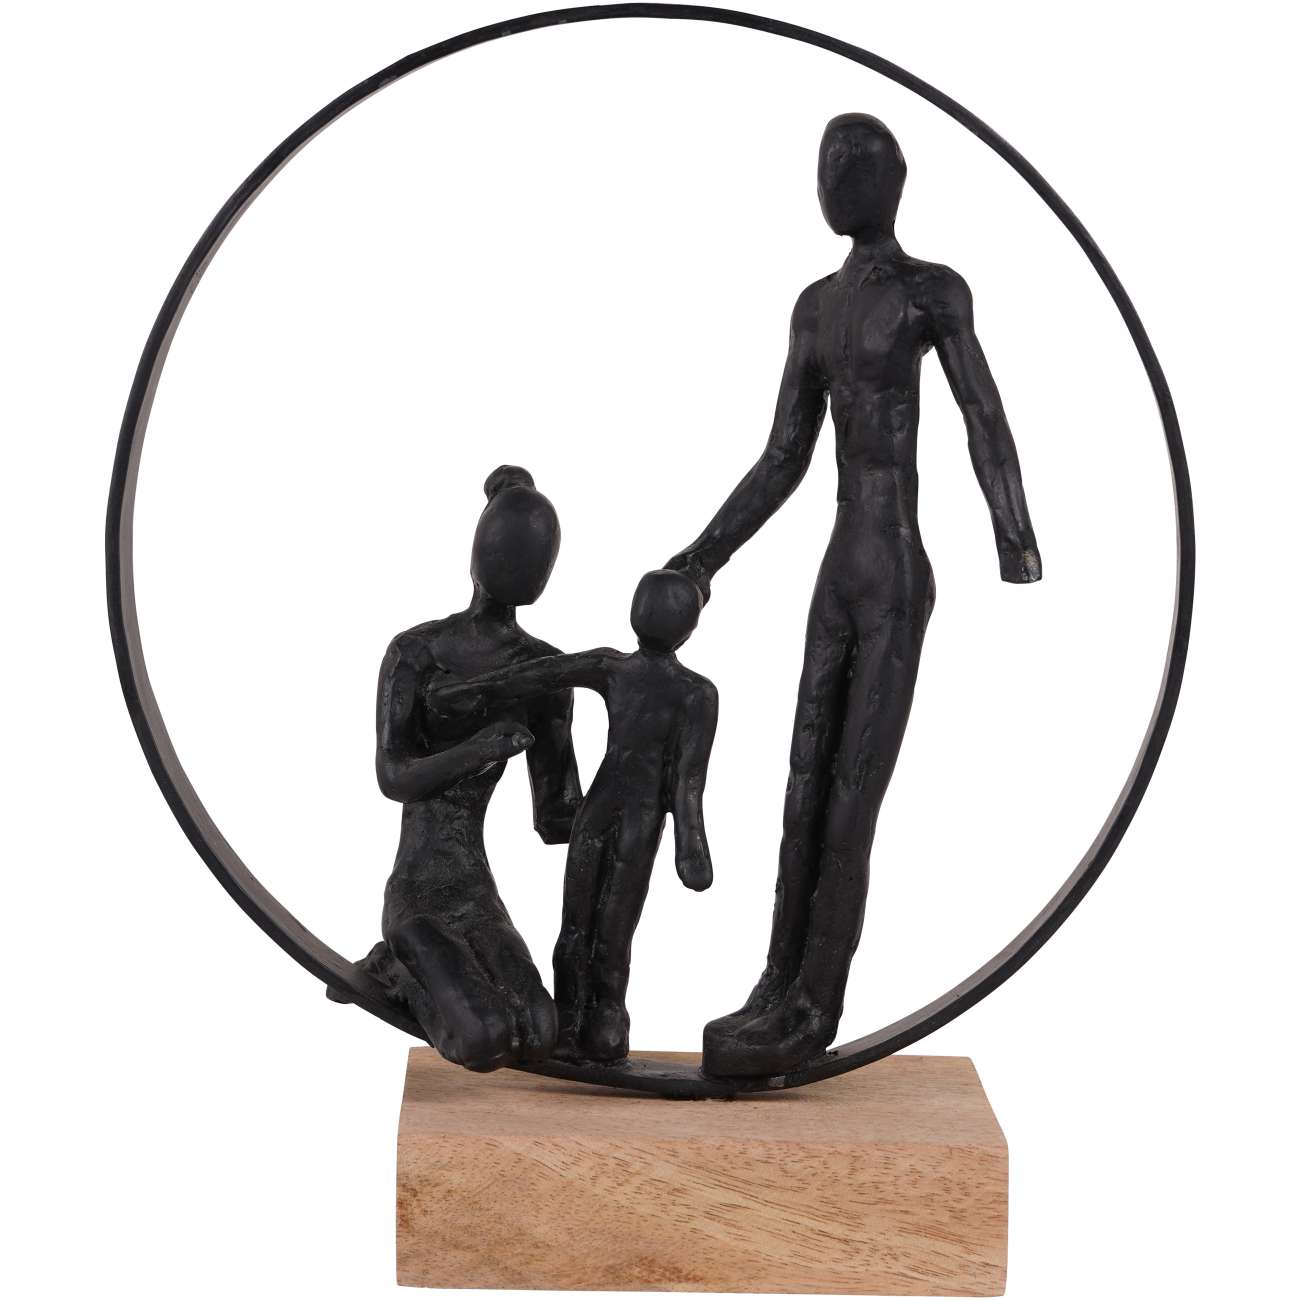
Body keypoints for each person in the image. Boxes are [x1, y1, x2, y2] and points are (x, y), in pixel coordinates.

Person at [666, 113, 1042, 1077]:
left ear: (890, 183)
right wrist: (702, 559)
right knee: (799, 784)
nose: (832, 179)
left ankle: (813, 1004)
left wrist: (1014, 537)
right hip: (839, 567)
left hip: (895, 570)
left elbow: (984, 415)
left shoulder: (930, 291)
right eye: (825, 164)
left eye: (850, 164)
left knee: (849, 796)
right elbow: (782, 456)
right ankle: (773, 983)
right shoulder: (814, 308)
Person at [331, 465, 583, 1072]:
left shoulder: (546, 673)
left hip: (474, 889)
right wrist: (483, 748)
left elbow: (554, 818)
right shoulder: (417, 651)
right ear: (477, 554)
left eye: (536, 558)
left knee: (540, 1032)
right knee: (481, 1039)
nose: (522, 569)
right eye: (510, 551)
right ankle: (391, 966)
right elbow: (393, 776)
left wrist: (637, 782)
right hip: (418, 888)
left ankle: (433, 973)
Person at [428, 569, 717, 1063]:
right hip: (626, 813)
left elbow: (540, 676)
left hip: (616, 809)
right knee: (594, 916)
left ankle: (601, 1015)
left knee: (599, 917)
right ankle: (585, 1015)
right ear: (689, 629)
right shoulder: (684, 689)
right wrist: (690, 845)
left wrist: (690, 847)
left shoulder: (648, 678)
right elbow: (687, 782)